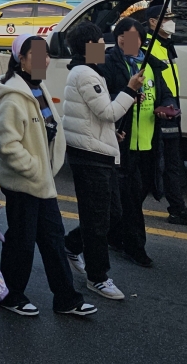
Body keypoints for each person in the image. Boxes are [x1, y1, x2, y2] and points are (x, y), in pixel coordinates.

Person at [0, 35, 96, 318]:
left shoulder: (38, 88)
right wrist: (34, 168)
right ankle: (11, 296)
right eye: (36, 55)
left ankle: (65, 298)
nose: (44, 60)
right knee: (21, 243)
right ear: (21, 59)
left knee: (53, 239)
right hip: (24, 183)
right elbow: (5, 142)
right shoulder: (15, 96)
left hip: (42, 181)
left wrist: (46, 169)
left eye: (46, 54)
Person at [60, 20, 143, 301]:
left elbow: (95, 118)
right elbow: (107, 112)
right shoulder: (85, 74)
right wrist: (130, 90)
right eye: (99, 43)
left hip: (97, 150)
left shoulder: (88, 71)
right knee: (98, 219)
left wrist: (111, 133)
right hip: (90, 157)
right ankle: (98, 277)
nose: (103, 47)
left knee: (111, 214)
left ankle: (70, 244)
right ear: (89, 47)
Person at [103, 17, 175, 269]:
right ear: (119, 37)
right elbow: (101, 98)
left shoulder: (150, 64)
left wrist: (166, 107)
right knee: (131, 199)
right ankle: (136, 247)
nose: (134, 43)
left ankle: (113, 235)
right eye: (129, 38)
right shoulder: (107, 62)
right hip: (124, 143)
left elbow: (166, 92)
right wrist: (128, 92)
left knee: (136, 195)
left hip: (149, 144)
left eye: (139, 39)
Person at [141, 5, 187, 227]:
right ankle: (176, 209)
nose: (172, 22)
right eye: (167, 18)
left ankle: (176, 208)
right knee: (167, 163)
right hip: (158, 112)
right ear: (152, 22)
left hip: (170, 109)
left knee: (170, 163)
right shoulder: (147, 45)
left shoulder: (164, 44)